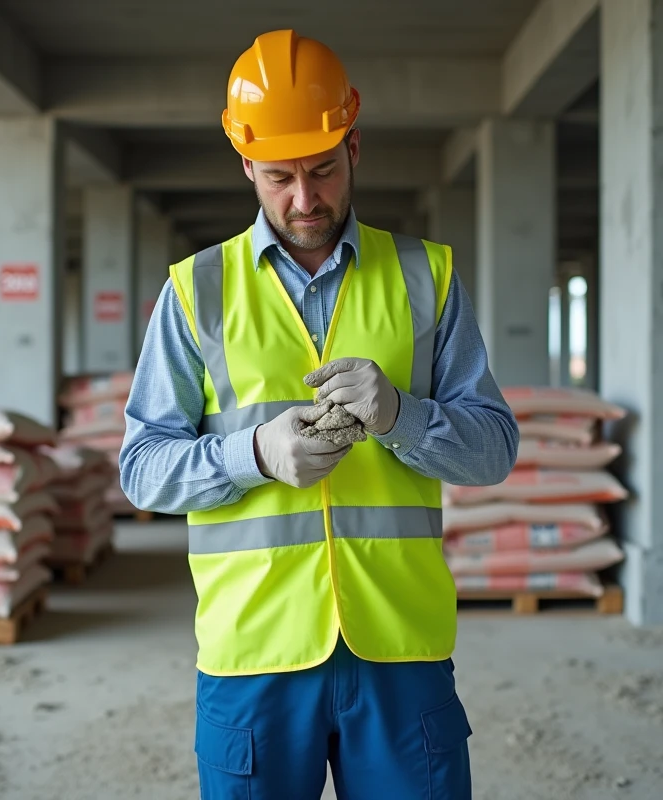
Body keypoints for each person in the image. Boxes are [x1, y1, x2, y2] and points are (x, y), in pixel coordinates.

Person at [119, 29, 519, 800]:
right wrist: (253, 456)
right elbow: (141, 470)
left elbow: (494, 450)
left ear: (354, 146)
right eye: (279, 177)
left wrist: (404, 415)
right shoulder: (197, 290)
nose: (305, 200)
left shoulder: (423, 278)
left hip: (400, 652)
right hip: (254, 657)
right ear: (245, 165)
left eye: (323, 171)